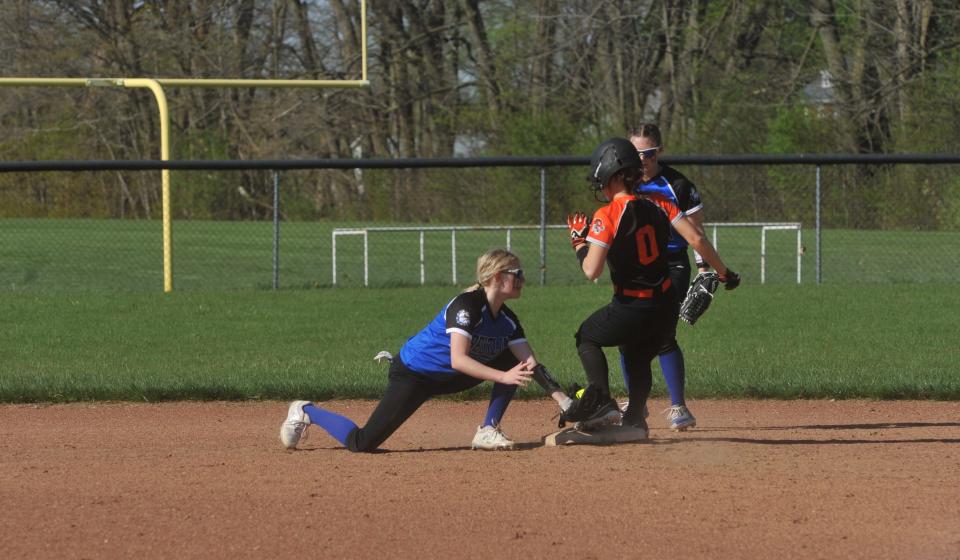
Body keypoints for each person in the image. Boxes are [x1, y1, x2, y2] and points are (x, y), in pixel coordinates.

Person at [279, 248, 573, 452]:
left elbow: (531, 363)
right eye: (516, 272)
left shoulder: (508, 320)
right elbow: (458, 359)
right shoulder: (466, 306)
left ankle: (488, 429)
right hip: (415, 374)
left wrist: (564, 403)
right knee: (363, 443)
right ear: (497, 276)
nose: (522, 279)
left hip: (452, 377)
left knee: (515, 360)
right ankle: (306, 410)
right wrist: (502, 377)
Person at [559, 137, 739, 436]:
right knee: (636, 355)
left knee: (587, 337)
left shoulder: (606, 216)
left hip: (631, 305)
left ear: (615, 177)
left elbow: (592, 270)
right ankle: (633, 422)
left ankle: (602, 401)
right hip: (666, 304)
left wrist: (579, 241)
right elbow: (697, 239)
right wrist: (725, 273)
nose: (600, 186)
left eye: (602, 180)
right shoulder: (661, 204)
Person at [626, 123, 710, 431]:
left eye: (648, 154)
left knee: (662, 334)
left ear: (659, 152)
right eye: (636, 154)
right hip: (635, 267)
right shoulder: (624, 184)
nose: (642, 160)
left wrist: (703, 269)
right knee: (628, 335)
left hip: (671, 265)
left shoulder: (678, 185)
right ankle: (637, 404)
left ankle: (678, 407)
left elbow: (697, 233)